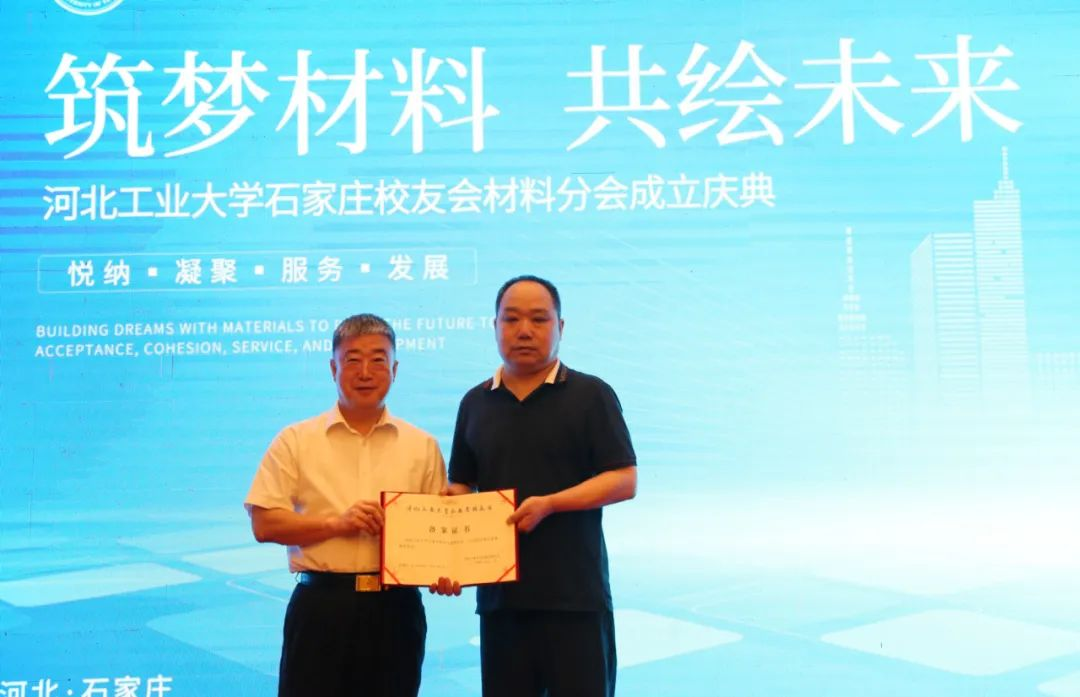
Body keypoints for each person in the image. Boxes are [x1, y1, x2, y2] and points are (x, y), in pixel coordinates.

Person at [444, 275, 637, 697]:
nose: (524, 330)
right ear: (494, 326)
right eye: (511, 319)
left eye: (538, 319)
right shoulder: (475, 402)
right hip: (501, 602)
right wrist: (445, 550)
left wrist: (551, 503)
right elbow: (461, 485)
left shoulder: (591, 395)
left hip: (576, 597)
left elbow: (624, 479)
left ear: (560, 327)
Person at [244, 313, 447, 697]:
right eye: (353, 360)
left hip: (396, 611)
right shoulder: (296, 440)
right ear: (333, 368)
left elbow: (437, 536)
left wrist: (446, 570)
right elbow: (264, 523)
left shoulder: (422, 446)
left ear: (395, 369)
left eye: (378, 360)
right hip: (321, 607)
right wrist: (337, 524)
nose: (365, 372)